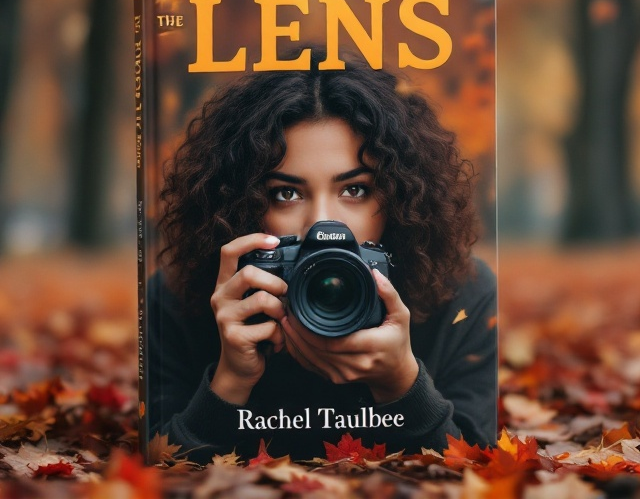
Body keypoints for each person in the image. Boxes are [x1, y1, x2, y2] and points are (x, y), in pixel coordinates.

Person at [148, 48, 497, 464]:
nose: (322, 223)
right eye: (286, 193)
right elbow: (155, 475)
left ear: (401, 198)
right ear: (239, 204)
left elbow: (482, 476)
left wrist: (402, 383)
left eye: (355, 189)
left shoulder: (461, 295)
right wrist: (229, 382)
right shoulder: (175, 298)